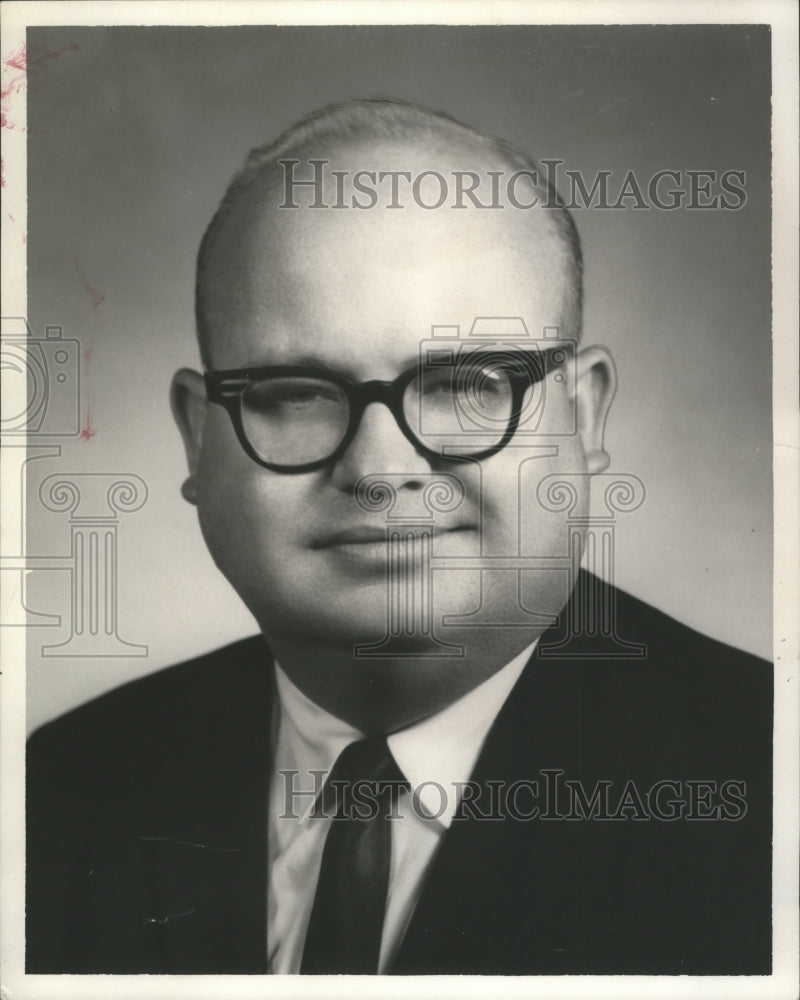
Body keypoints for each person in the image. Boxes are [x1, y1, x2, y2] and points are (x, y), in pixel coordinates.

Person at [26, 98, 772, 976]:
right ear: (198, 435)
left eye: (464, 384)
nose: (381, 470)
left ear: (585, 411)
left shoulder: (769, 784)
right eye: (296, 392)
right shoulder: (51, 795)